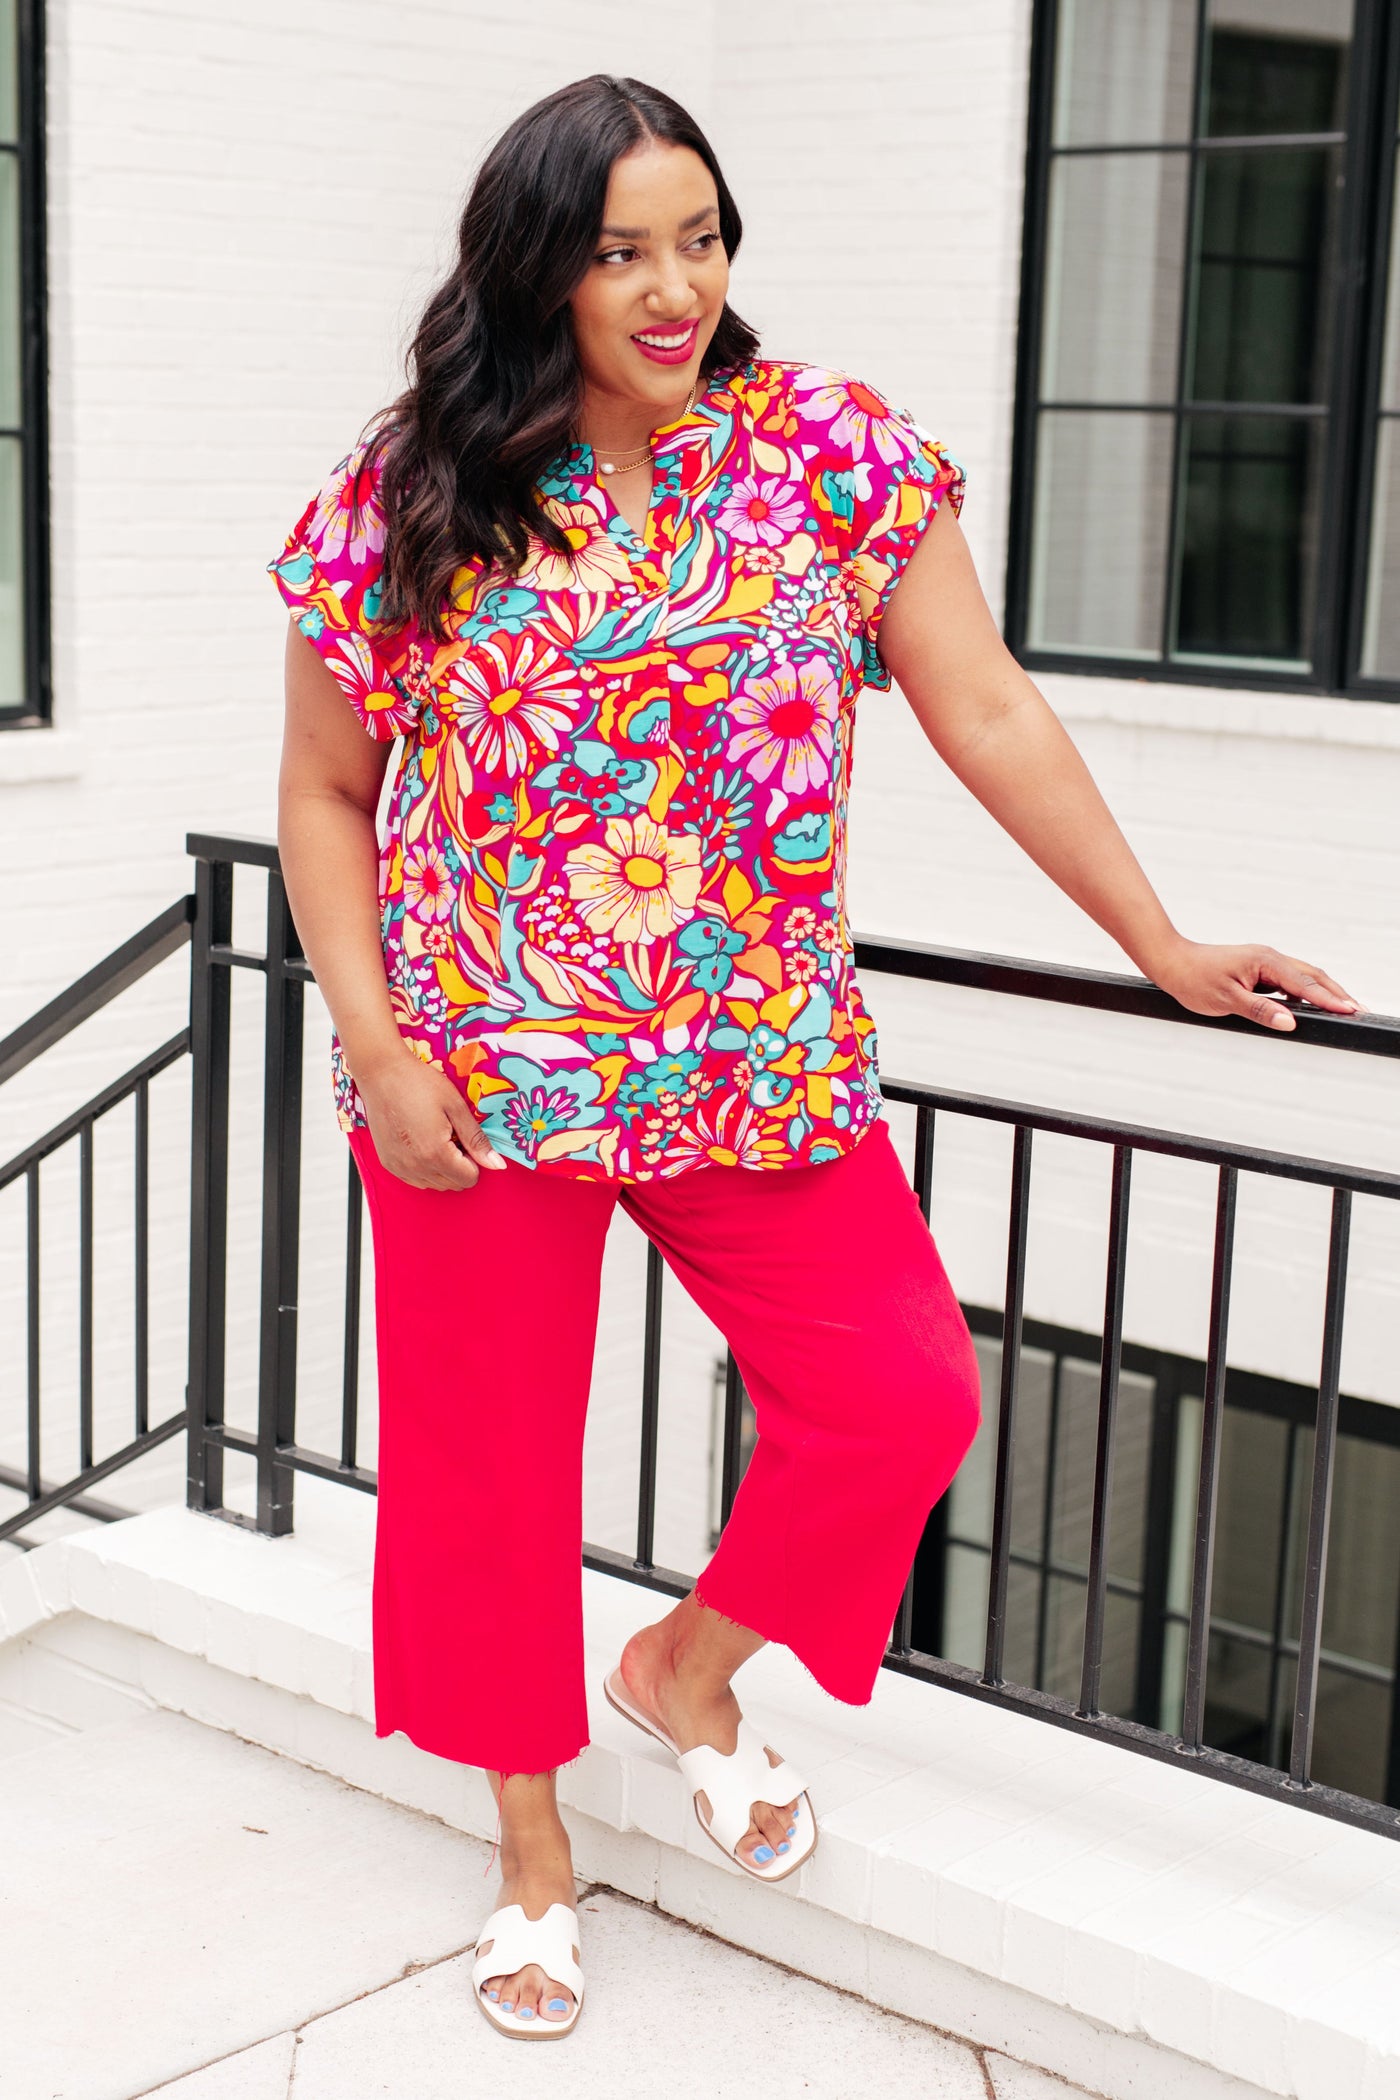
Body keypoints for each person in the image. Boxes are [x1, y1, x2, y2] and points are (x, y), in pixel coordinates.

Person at [268, 74, 1360, 2041]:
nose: (672, 287)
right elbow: (325, 798)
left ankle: (686, 1670)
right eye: (619, 252)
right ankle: (531, 1846)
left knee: (902, 1400)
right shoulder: (411, 486)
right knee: (486, 1479)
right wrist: (372, 1033)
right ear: (537, 273)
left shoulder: (829, 456)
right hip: (477, 1075)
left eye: (699, 238)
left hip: (751, 1066)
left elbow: (988, 707)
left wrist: (1158, 942)